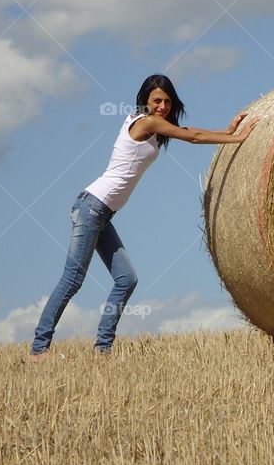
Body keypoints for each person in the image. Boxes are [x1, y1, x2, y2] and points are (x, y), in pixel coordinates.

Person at [29, 74, 259, 361]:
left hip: (103, 213)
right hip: (92, 207)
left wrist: (227, 131)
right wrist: (237, 137)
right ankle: (39, 349)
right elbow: (193, 136)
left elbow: (186, 131)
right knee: (73, 279)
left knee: (126, 279)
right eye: (156, 100)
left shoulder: (148, 125)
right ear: (145, 102)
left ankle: (103, 348)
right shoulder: (145, 121)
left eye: (167, 101)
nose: (162, 106)